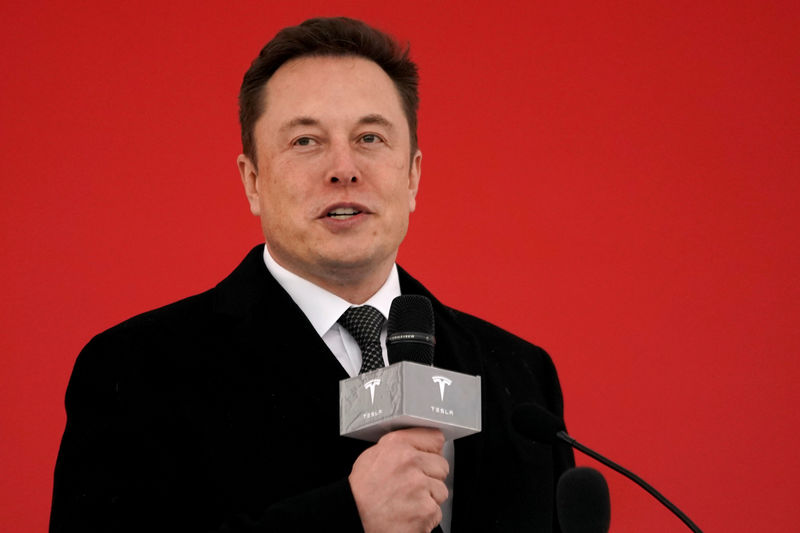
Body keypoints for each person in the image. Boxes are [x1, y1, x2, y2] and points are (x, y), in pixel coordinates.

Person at [50, 17, 574, 533]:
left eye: (370, 137)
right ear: (252, 181)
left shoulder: (521, 378)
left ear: (412, 176)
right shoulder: (136, 372)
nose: (343, 168)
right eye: (306, 141)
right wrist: (348, 515)